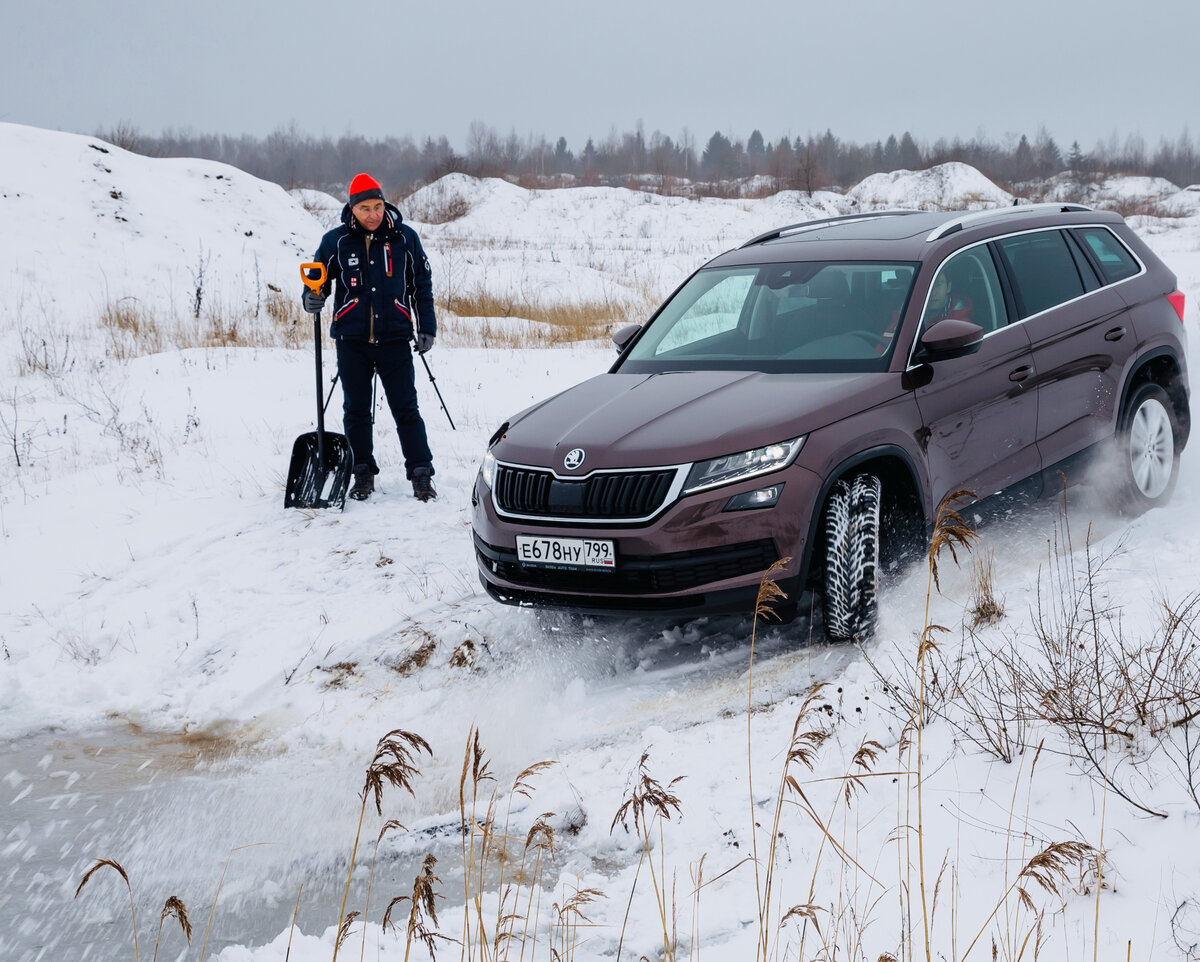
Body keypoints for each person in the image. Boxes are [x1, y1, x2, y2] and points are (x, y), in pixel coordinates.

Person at [302, 173, 437, 502]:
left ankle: (420, 474)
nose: (373, 214)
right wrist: (311, 298)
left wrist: (427, 327)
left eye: (378, 206)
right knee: (357, 411)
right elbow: (316, 282)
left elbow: (422, 286)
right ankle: (362, 471)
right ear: (352, 209)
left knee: (406, 408)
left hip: (394, 338)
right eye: (365, 208)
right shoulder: (335, 242)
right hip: (352, 341)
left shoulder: (405, 238)